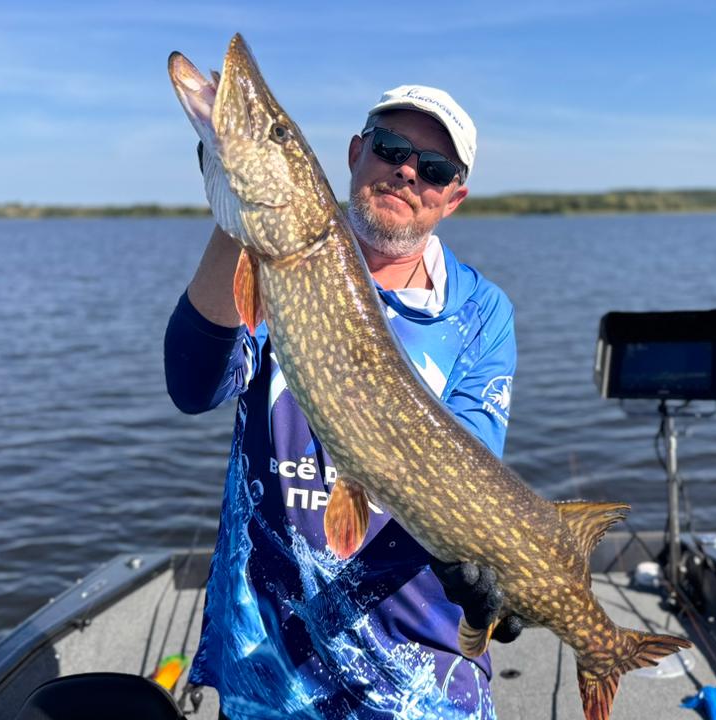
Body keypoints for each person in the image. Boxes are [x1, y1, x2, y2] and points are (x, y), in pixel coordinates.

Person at [164, 85, 519, 720]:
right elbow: (193, 387)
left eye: (434, 169)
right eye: (391, 148)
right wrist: (238, 218)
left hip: (422, 678)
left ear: (452, 199)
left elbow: (468, 467)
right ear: (356, 154)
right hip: (269, 662)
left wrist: (486, 561)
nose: (408, 171)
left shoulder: (479, 313)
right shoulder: (285, 261)